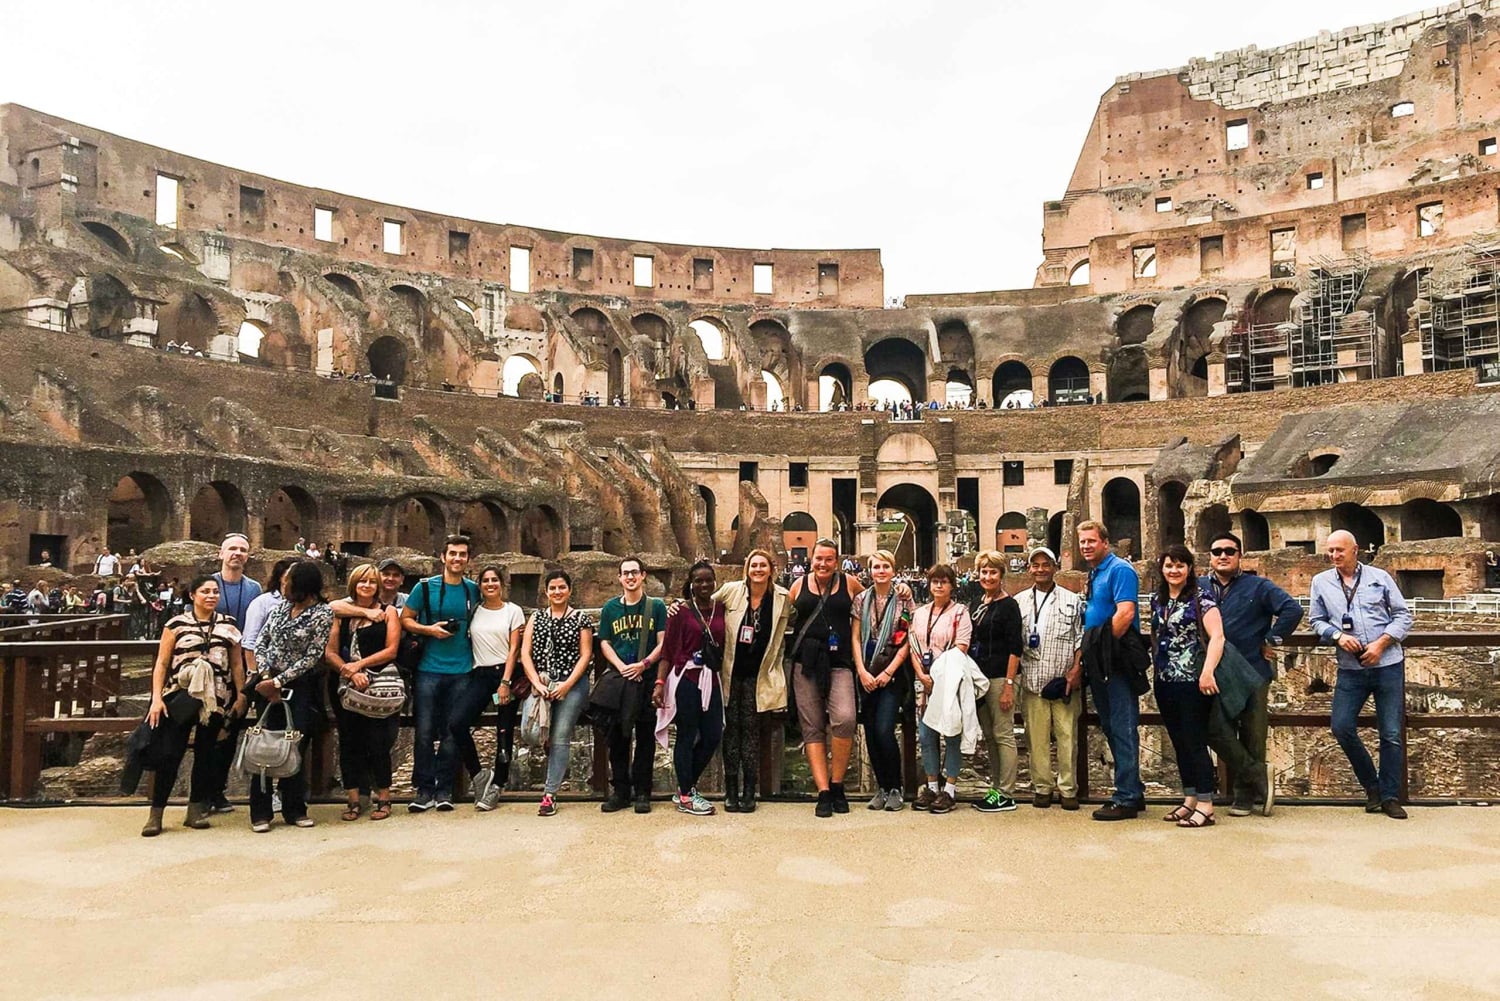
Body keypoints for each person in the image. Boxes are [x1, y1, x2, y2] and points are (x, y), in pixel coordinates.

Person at [1309, 529, 1414, 820]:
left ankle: (1390, 796)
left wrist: (1381, 644)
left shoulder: (1380, 578)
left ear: (1355, 550)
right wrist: (1336, 635)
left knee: (1391, 733)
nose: (1333, 556)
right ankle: (1372, 787)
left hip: (1388, 665)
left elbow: (1403, 615)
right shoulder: (1321, 582)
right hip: (1350, 668)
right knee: (1341, 727)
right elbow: (1316, 620)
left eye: (1339, 550)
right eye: (1330, 551)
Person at [1201, 531, 1303, 817]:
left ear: (1239, 556)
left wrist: (1272, 639)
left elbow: (1291, 610)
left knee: (1252, 734)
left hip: (1251, 671)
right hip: (1213, 671)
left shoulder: (1258, 586)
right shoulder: (1198, 587)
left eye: (1229, 551)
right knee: (1213, 729)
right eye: (1217, 551)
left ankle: (1245, 798)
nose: (1223, 555)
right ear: (1210, 556)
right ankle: (1258, 774)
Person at [141, 575, 245, 837]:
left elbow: (236, 664)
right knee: (170, 754)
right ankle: (156, 813)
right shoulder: (175, 624)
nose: (211, 596)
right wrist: (156, 699)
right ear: (193, 595)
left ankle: (195, 809)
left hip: (216, 700)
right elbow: (162, 664)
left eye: (214, 592)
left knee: (206, 755)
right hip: (181, 696)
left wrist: (241, 696)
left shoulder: (229, 625)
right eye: (205, 592)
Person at [246, 561, 334, 832]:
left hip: (299, 688)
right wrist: (264, 676)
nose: (282, 586)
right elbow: (261, 641)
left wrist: (279, 681)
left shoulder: (322, 613)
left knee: (294, 745)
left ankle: (294, 808)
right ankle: (260, 812)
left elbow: (313, 656)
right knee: (264, 744)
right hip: (266, 684)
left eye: (288, 581)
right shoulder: (282, 607)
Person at [787, 538, 867, 817]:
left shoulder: (850, 583)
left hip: (840, 662)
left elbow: (875, 602)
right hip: (806, 664)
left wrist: (901, 590)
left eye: (829, 559)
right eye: (818, 558)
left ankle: (837, 784)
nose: (823, 564)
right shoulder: (798, 586)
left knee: (845, 719)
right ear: (811, 559)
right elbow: (780, 615)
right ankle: (823, 791)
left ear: (837, 561)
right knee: (812, 726)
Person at [401, 535, 480, 813]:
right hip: (428, 670)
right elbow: (406, 619)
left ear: (468, 559)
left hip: (461, 670)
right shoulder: (424, 588)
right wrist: (429, 630)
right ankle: (424, 789)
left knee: (450, 733)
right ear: (443, 557)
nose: (457, 559)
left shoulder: (473, 590)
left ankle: (444, 788)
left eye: (462, 554)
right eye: (453, 554)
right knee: (423, 732)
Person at [1150, 545, 1224, 829]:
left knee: (1194, 741)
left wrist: (1208, 672)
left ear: (1190, 569)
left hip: (1194, 680)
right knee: (1179, 741)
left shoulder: (1201, 599)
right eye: (1169, 565)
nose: (1174, 570)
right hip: (1166, 680)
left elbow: (1217, 636)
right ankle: (1190, 797)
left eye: (1180, 565)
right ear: (1162, 569)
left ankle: (1206, 804)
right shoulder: (1159, 600)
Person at [714, 548, 793, 813]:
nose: (758, 570)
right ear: (746, 568)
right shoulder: (730, 591)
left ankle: (750, 790)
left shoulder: (782, 597)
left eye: (763, 565)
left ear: (771, 569)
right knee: (730, 732)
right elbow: (701, 606)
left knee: (750, 731)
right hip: (731, 672)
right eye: (753, 565)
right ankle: (731, 789)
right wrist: (677, 607)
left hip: (758, 675)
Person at [1077, 519, 1146, 821]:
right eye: (1082, 542)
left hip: (1115, 659)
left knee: (1121, 725)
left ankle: (1127, 797)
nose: (1086, 546)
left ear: (1105, 542)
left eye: (1091, 541)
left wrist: (1100, 648)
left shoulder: (1119, 570)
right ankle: (1132, 790)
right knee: (1110, 724)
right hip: (1103, 658)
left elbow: (1126, 612)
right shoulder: (1096, 573)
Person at [325, 564, 401, 822]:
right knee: (349, 743)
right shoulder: (342, 613)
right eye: (362, 582)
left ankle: (384, 797)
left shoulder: (389, 612)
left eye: (371, 582)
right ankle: (354, 799)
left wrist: (360, 666)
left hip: (378, 684)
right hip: (346, 686)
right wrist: (349, 671)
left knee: (378, 743)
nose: (367, 586)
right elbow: (330, 652)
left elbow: (392, 650)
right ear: (354, 584)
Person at [653, 561, 726, 816]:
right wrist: (660, 683)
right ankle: (686, 794)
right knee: (686, 735)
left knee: (713, 735)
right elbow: (668, 651)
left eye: (708, 580)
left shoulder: (721, 608)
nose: (704, 585)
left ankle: (686, 786)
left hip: (711, 679)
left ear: (714, 581)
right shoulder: (681, 612)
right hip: (686, 680)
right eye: (699, 581)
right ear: (691, 584)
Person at [1014, 547, 1085, 809]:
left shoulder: (1072, 600)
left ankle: (1068, 789)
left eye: (1046, 564)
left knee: (1068, 738)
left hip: (1063, 679)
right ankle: (1042, 787)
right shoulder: (1019, 601)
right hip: (1033, 680)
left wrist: (1076, 669)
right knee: (1037, 739)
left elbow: (1080, 637)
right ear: (1029, 569)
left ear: (1055, 567)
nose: (1041, 569)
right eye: (1036, 565)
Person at [596, 556, 668, 814]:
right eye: (625, 573)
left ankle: (643, 791)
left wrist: (644, 664)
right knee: (617, 737)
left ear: (643, 575)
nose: (630, 577)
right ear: (619, 577)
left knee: (646, 736)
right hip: (620, 680)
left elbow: (663, 642)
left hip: (646, 677)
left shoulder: (656, 606)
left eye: (634, 572)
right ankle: (621, 791)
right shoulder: (610, 608)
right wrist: (621, 666)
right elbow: (604, 641)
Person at [452, 565, 526, 812]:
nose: (490, 584)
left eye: (495, 580)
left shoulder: (513, 611)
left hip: (505, 673)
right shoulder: (474, 612)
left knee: (504, 731)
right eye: (485, 581)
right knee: (457, 722)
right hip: (480, 674)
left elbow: (514, 649)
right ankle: (478, 774)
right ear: (480, 585)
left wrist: (505, 683)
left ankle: (498, 784)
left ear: (502, 584)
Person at [520, 569, 593, 816]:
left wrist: (567, 685)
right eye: (552, 588)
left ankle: (549, 795)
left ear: (570, 590)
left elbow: (586, 655)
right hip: (541, 682)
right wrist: (537, 683)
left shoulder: (581, 618)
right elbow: (525, 654)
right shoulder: (536, 618)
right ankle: (552, 761)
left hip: (571, 684)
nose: (557, 592)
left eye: (562, 587)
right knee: (530, 733)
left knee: (561, 734)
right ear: (546, 592)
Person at [909, 564, 974, 814]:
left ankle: (950, 790)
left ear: (952, 585)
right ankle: (932, 787)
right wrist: (921, 674)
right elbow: (913, 646)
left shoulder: (961, 612)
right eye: (935, 581)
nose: (939, 585)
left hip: (948, 681)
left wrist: (936, 675)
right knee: (926, 737)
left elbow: (961, 647)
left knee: (952, 735)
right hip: (924, 682)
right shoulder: (920, 613)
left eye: (944, 582)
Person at [855, 549, 915, 811]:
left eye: (885, 567)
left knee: (884, 730)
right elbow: (855, 638)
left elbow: (907, 640)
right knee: (870, 732)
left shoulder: (904, 600)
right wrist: (862, 671)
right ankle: (881, 787)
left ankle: (896, 787)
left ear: (893, 570)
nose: (880, 571)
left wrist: (888, 671)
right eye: (876, 567)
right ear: (870, 571)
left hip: (892, 675)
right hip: (867, 672)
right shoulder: (860, 599)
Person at [208, 533, 262, 813]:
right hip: (213, 666)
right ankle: (203, 793)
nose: (237, 554)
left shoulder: (254, 588)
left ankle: (217, 792)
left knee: (231, 729)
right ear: (221, 553)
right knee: (209, 728)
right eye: (232, 549)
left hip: (241, 665)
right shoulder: (209, 585)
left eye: (242, 550)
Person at [967, 550, 1024, 814]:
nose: (987, 576)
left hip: (1001, 676)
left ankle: (1007, 792)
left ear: (1001, 575)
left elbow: (1015, 647)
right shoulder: (979, 603)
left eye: (993, 572)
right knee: (989, 735)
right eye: (984, 572)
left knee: (1003, 734)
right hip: (981, 678)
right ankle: (996, 787)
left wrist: (1009, 685)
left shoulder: (1008, 605)